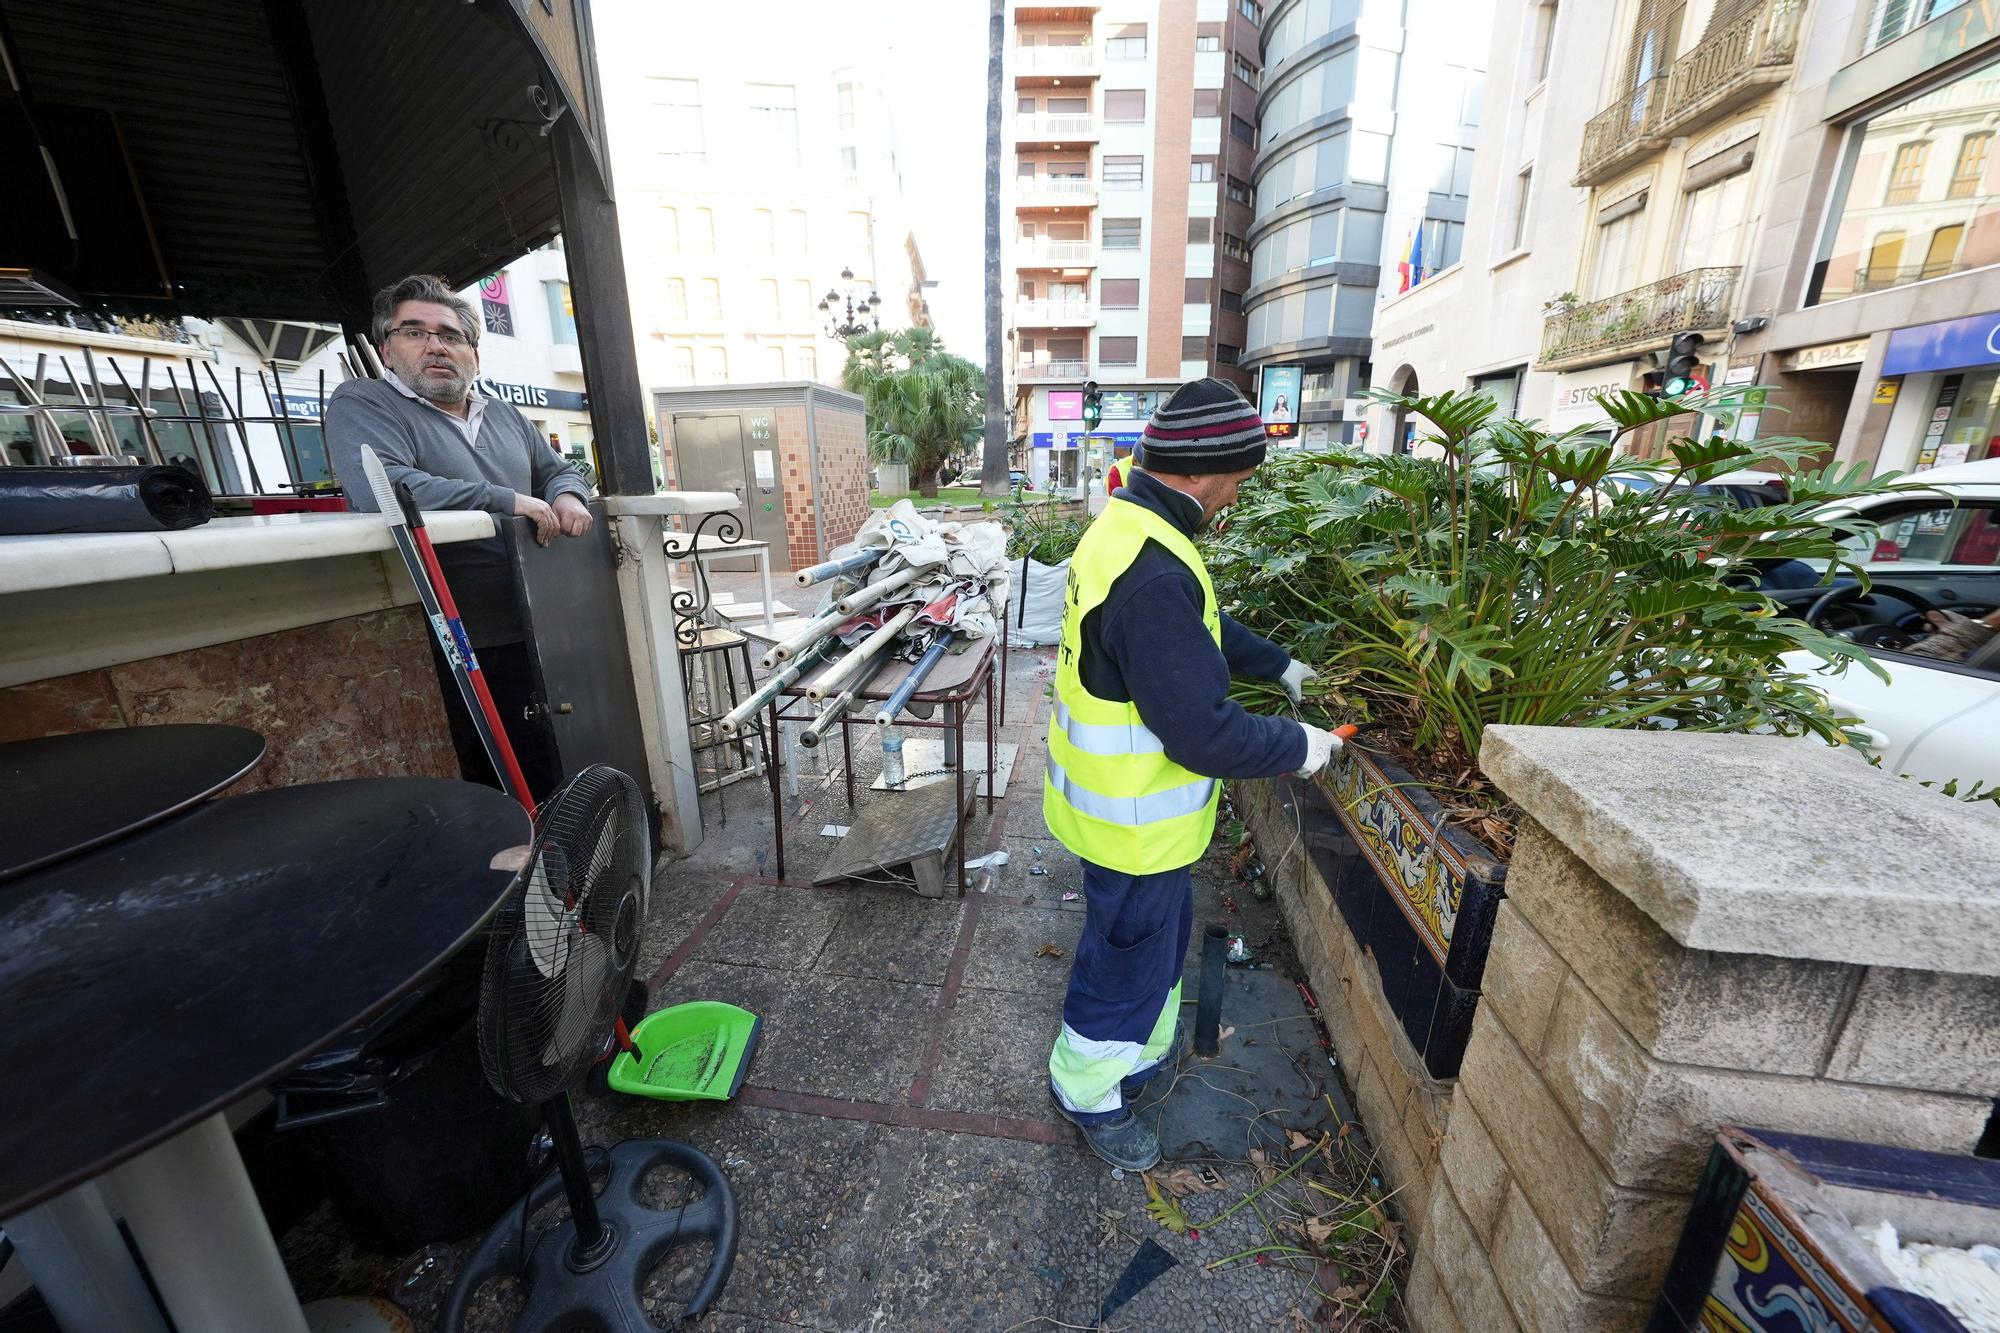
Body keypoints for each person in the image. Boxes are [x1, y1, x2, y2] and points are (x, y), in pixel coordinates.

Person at [1044, 377, 1342, 1170]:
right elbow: (1203, 733)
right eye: (1240, 481)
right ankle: (1085, 1087)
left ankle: (1134, 1048)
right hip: (1133, 824)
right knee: (1125, 959)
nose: (1239, 497)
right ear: (1204, 473)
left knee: (1151, 943)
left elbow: (1197, 628)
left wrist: (1278, 663)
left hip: (1128, 816)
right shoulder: (1154, 569)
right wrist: (1299, 745)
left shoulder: (1131, 528)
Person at [326, 273, 596, 802]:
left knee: (546, 759)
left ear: (474, 353)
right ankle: (518, 879)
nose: (435, 346)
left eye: (450, 335)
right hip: (449, 638)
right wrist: (505, 499)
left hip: (534, 621)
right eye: (414, 332)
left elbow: (558, 470)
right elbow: (383, 485)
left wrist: (567, 496)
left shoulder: (503, 414)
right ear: (386, 348)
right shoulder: (365, 403)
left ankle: (560, 872)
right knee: (485, 779)